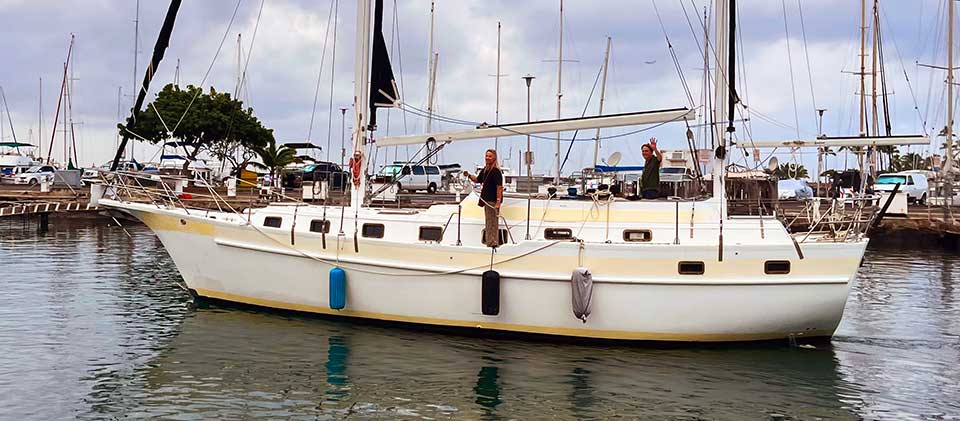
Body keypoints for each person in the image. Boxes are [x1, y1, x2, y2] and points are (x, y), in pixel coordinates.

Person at [464, 149, 504, 247]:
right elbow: (478, 179)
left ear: (494, 158)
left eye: (490, 156)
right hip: (486, 200)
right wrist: (469, 175)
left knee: (492, 222)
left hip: (492, 201)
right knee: (489, 222)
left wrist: (498, 202)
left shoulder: (496, 171)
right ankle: (491, 242)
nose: (487, 158)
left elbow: (499, 187)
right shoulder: (486, 170)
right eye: (486, 156)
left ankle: (493, 243)